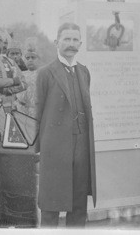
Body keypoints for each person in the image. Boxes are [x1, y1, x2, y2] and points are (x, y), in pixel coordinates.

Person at [36, 22, 96, 228]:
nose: (71, 44)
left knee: (79, 203)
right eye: (66, 39)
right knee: (51, 203)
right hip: (55, 147)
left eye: (75, 40)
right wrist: (38, 150)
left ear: (80, 43)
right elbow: (38, 112)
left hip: (81, 146)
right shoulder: (45, 73)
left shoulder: (84, 72)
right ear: (56, 42)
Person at [17, 38, 40, 117]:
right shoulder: (20, 74)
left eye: (33, 58)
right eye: (27, 58)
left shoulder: (42, 74)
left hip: (36, 111)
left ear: (38, 59)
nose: (30, 60)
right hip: (21, 110)